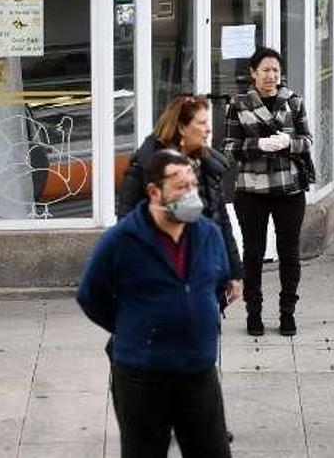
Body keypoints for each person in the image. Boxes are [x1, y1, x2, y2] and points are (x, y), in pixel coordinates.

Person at [78, 149, 239, 458]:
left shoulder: (208, 234)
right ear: (154, 192)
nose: (191, 194)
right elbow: (90, 295)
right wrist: (132, 327)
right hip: (142, 376)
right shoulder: (121, 240)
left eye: (193, 185)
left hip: (198, 372)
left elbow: (217, 283)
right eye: (180, 187)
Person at [222, 46, 314, 337]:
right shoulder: (238, 104)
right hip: (251, 190)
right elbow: (228, 148)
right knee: (253, 253)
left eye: (276, 70)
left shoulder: (293, 102)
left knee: (289, 253)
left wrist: (289, 144)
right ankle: (254, 313)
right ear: (252, 73)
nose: (271, 75)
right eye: (265, 70)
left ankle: (288, 312)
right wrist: (256, 145)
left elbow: (308, 141)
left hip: (290, 189)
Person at [117, 95, 243, 285]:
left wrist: (233, 272)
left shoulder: (205, 163)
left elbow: (221, 220)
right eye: (201, 123)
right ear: (181, 128)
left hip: (206, 273)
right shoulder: (147, 165)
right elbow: (127, 223)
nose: (208, 129)